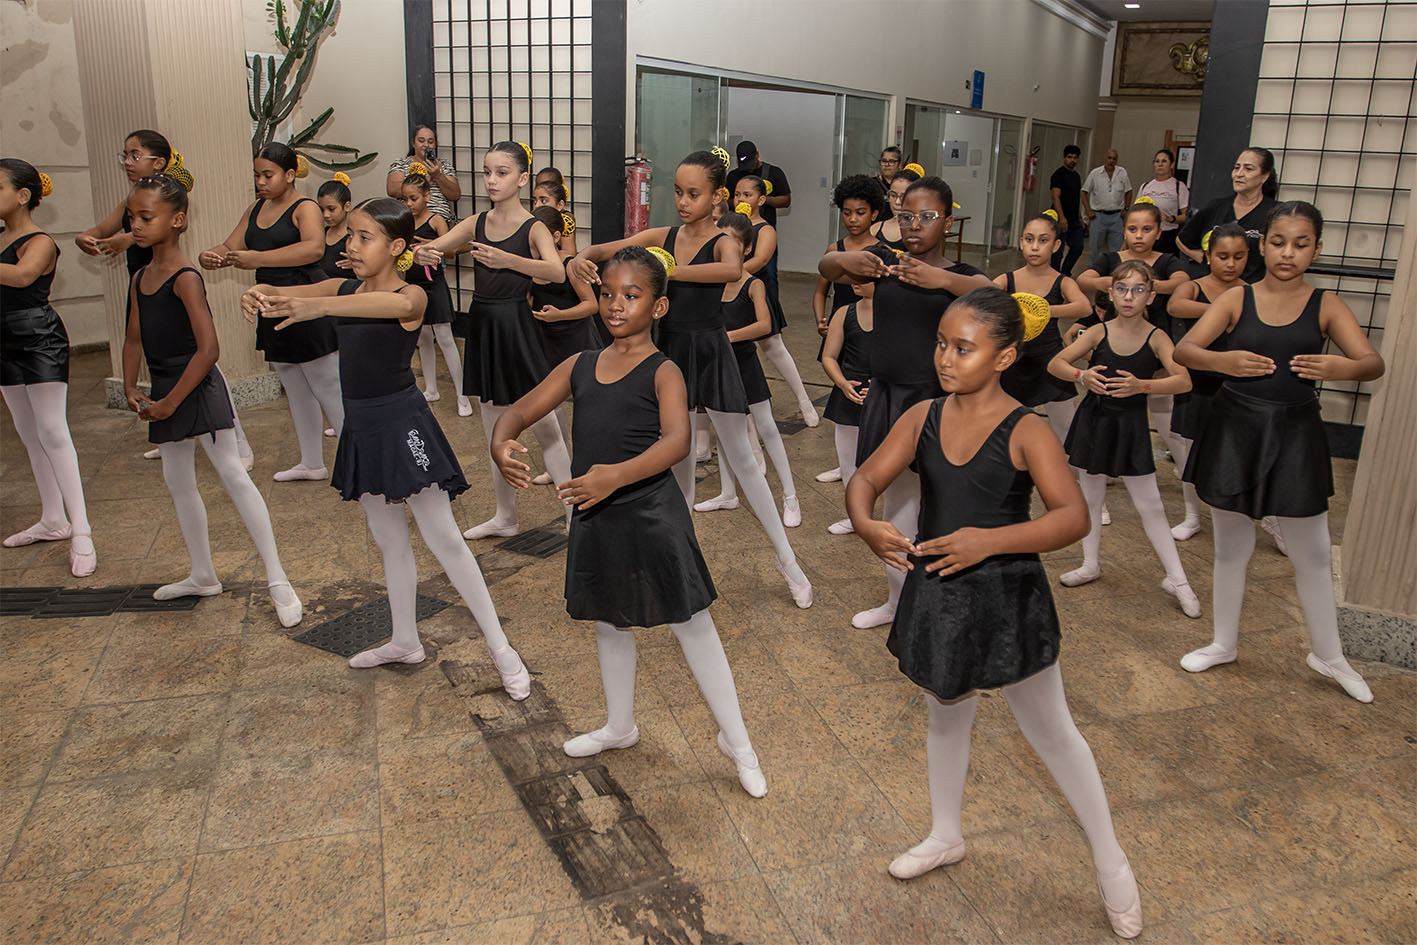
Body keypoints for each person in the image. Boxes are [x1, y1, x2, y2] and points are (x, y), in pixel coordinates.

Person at [847, 286, 1142, 940]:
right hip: (939, 592)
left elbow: (1072, 515)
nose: (945, 358)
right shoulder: (921, 415)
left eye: (962, 347)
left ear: (1005, 355)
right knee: (944, 713)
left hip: (1006, 595)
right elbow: (865, 479)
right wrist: (865, 522)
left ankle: (1111, 859)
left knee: (1051, 731)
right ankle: (945, 832)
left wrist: (989, 539)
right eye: (941, 344)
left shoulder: (1027, 428)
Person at [488, 245, 766, 795]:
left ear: (658, 308)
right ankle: (620, 725)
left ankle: (738, 740)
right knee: (609, 619)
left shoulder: (663, 371)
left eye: (632, 296)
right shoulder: (581, 365)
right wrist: (501, 439)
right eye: (608, 294)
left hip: (652, 514)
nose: (616, 305)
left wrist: (613, 476)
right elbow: (521, 409)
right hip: (597, 512)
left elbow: (678, 442)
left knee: (691, 621)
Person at [244, 198, 532, 696]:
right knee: (388, 539)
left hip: (404, 426)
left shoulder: (410, 295)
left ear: (397, 247)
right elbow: (290, 289)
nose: (351, 246)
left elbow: (390, 308)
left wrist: (320, 305)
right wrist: (259, 290)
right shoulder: (344, 287)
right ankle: (404, 639)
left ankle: (502, 647)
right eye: (350, 235)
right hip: (362, 428)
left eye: (364, 237)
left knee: (443, 538)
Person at [568, 150, 814, 609]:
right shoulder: (666, 235)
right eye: (678, 192)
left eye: (693, 193)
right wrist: (582, 255)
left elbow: (732, 269)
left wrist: (668, 269)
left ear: (717, 196)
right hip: (671, 355)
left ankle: (788, 560)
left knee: (742, 460)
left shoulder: (723, 239)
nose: (683, 201)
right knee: (673, 465)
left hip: (711, 351)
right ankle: (679, 568)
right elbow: (614, 248)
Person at [1175, 201, 1385, 703]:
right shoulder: (1236, 299)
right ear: (1260, 246)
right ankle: (1224, 642)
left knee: (1311, 551)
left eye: (1301, 243)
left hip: (1295, 432)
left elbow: (1372, 362)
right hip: (1234, 429)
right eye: (1277, 242)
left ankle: (1329, 654)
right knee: (1232, 546)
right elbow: (1186, 351)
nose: (1288, 253)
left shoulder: (1326, 303)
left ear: (1316, 248)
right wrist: (1224, 360)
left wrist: (1342, 370)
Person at [123, 174, 302, 626]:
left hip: (197, 383)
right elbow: (133, 338)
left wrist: (170, 402)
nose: (138, 225)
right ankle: (202, 574)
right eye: (133, 217)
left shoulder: (185, 277)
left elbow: (209, 350)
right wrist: (131, 386)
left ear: (177, 219)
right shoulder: (141, 275)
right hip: (165, 385)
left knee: (232, 475)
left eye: (147, 217)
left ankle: (278, 578)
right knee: (177, 480)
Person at [818, 176, 991, 629]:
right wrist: (846, 257)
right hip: (888, 396)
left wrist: (941, 279)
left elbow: (995, 298)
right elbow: (828, 266)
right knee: (896, 499)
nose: (915, 226)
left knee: (945, 501)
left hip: (937, 402)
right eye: (907, 217)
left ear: (948, 222)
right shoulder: (885, 262)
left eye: (928, 217)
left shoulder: (961, 275)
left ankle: (948, 600)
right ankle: (897, 603)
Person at [412, 141, 576, 540]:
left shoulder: (534, 226)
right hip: (484, 325)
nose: (491, 180)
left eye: (501, 173)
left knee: (547, 427)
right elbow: (433, 247)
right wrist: (423, 254)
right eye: (487, 172)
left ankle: (578, 519)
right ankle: (506, 516)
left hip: (516, 326)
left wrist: (508, 261)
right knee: (493, 429)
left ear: (522, 179)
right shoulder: (476, 222)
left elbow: (556, 272)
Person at [77, 129, 253, 469]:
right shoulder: (131, 202)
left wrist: (127, 239)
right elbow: (101, 230)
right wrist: (87, 238)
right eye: (124, 155)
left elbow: (208, 350)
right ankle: (174, 430)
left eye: (134, 155)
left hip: (165, 277)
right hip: (144, 278)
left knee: (198, 356)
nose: (128, 162)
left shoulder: (174, 242)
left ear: (158, 162)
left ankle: (233, 436)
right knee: (157, 349)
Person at [1047, 260, 1201, 617]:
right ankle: (1090, 563)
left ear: (1150, 295)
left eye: (1138, 290)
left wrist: (1141, 386)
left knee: (1150, 504)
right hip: (1095, 422)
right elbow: (1056, 363)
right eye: (1122, 289)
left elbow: (1184, 380)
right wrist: (1082, 377)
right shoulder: (1099, 332)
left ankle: (1178, 579)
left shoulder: (1157, 336)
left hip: (1130, 428)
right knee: (1090, 495)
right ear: (1111, 293)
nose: (1129, 297)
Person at [203, 142, 344, 483]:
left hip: (303, 295)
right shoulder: (256, 208)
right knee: (294, 385)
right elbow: (232, 245)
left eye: (268, 175)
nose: (261, 182)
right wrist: (214, 254)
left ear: (290, 174)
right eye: (257, 175)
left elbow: (314, 249)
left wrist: (259, 258)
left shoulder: (304, 207)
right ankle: (312, 461)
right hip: (270, 301)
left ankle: (360, 458)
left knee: (327, 385)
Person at [1, 159, 96, 576]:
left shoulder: (40, 240)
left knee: (53, 431)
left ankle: (82, 530)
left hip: (38, 338)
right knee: (27, 432)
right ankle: (52, 519)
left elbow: (23, 277)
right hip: (3, 341)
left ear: (23, 196)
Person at [693, 212, 802, 527]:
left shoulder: (752, 284)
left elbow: (764, 325)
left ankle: (790, 495)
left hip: (744, 363)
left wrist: (726, 337)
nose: (725, 248)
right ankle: (728, 493)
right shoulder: (710, 283)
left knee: (767, 428)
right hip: (717, 366)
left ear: (747, 248)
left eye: (733, 243)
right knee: (725, 434)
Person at [1165, 222, 1247, 541]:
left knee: (1232, 453)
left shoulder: (1251, 292)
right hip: (1195, 385)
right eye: (1223, 256)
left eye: (1238, 257)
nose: (1230, 263)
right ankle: (1191, 515)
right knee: (1188, 453)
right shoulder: (1194, 287)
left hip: (1235, 386)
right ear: (1209, 256)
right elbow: (1175, 305)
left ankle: (1234, 514)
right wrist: (1225, 310)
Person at [993, 214, 1090, 441]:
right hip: (1013, 361)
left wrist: (1043, 310)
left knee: (1066, 426)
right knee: (1004, 424)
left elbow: (1084, 307)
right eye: (1029, 239)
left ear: (1056, 245)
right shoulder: (1007, 279)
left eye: (1043, 240)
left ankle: (1072, 473)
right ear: (1021, 242)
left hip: (1050, 359)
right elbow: (982, 302)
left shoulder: (1062, 281)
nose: (1035, 247)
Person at [733, 175, 819, 427]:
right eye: (737, 194)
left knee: (774, 347)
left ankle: (803, 399)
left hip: (757, 293)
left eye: (747, 195)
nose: (741, 199)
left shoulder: (765, 229)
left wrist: (728, 274)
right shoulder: (727, 227)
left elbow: (759, 261)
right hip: (730, 296)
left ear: (760, 200)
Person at [820, 246, 889, 536]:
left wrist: (886, 383)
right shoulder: (843, 313)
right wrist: (842, 383)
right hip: (849, 395)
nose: (855, 279)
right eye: (853, 274)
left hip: (885, 397)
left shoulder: (896, 315)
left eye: (864, 275)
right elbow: (829, 357)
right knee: (849, 463)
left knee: (887, 463)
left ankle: (893, 515)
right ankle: (856, 516)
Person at [400, 164, 471, 417]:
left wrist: (431, 245)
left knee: (445, 338)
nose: (408, 203)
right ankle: (431, 388)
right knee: (423, 338)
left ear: (427, 196)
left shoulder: (436, 220)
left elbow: (451, 250)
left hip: (435, 284)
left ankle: (463, 395)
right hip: (413, 285)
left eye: (413, 198)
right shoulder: (404, 222)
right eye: (404, 199)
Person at [1177, 147, 1280, 283]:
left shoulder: (1275, 213)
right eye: (1237, 168)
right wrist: (1206, 259)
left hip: (1253, 291)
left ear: (1264, 176)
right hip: (1214, 291)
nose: (1239, 174)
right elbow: (1182, 240)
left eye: (1248, 169)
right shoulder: (1215, 207)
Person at [386, 125, 461, 221]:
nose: (426, 145)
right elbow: (392, 190)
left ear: (435, 145)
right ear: (413, 143)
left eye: (430, 142)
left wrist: (438, 176)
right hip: (409, 215)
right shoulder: (401, 163)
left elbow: (455, 195)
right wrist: (423, 182)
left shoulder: (443, 165)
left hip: (439, 217)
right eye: (421, 141)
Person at [725, 140, 791, 228]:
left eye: (750, 164)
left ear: (757, 155)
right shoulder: (733, 175)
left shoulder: (773, 172)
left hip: (765, 225)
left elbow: (786, 200)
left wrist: (759, 199)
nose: (748, 169)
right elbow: (726, 202)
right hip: (738, 227)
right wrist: (739, 202)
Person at [1081, 150, 1133, 258]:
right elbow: (1083, 192)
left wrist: (1126, 209)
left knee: (1118, 249)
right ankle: (1093, 272)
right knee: (1094, 249)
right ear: (1105, 159)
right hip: (1098, 216)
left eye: (1114, 159)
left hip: (1117, 217)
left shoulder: (1122, 172)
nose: (1111, 161)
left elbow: (1129, 191)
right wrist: (1088, 210)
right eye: (1109, 158)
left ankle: (1116, 272)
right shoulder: (1095, 173)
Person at [1137, 149, 1189, 255]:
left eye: (1164, 161)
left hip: (1168, 236)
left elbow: (1186, 216)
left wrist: (1170, 218)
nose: (1160, 164)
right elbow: (1135, 212)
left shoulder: (1178, 186)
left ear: (1172, 165)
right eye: (1157, 161)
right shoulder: (1145, 186)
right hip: (1146, 235)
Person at [1049, 145, 1085, 275]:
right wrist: (1062, 218)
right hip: (1060, 218)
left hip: (1074, 219)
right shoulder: (1058, 175)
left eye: (1075, 158)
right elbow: (1055, 197)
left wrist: (1080, 218)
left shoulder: (1076, 176)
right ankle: (1054, 276)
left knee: (1078, 247)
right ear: (1064, 158)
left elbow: (1076, 199)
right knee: (1058, 251)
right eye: (1069, 157)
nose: (1072, 160)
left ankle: (1064, 273)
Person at [871, 167, 922, 254]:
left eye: (904, 196)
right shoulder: (875, 229)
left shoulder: (923, 230)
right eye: (893, 195)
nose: (897, 202)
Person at [317, 173, 353, 279]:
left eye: (331, 209)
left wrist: (359, 265)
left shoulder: (354, 238)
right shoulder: (320, 234)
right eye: (322, 209)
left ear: (346, 206)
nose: (325, 215)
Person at [874, 146, 902, 219]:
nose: (887, 165)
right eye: (884, 161)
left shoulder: (903, 184)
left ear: (899, 164)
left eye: (892, 161)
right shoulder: (872, 184)